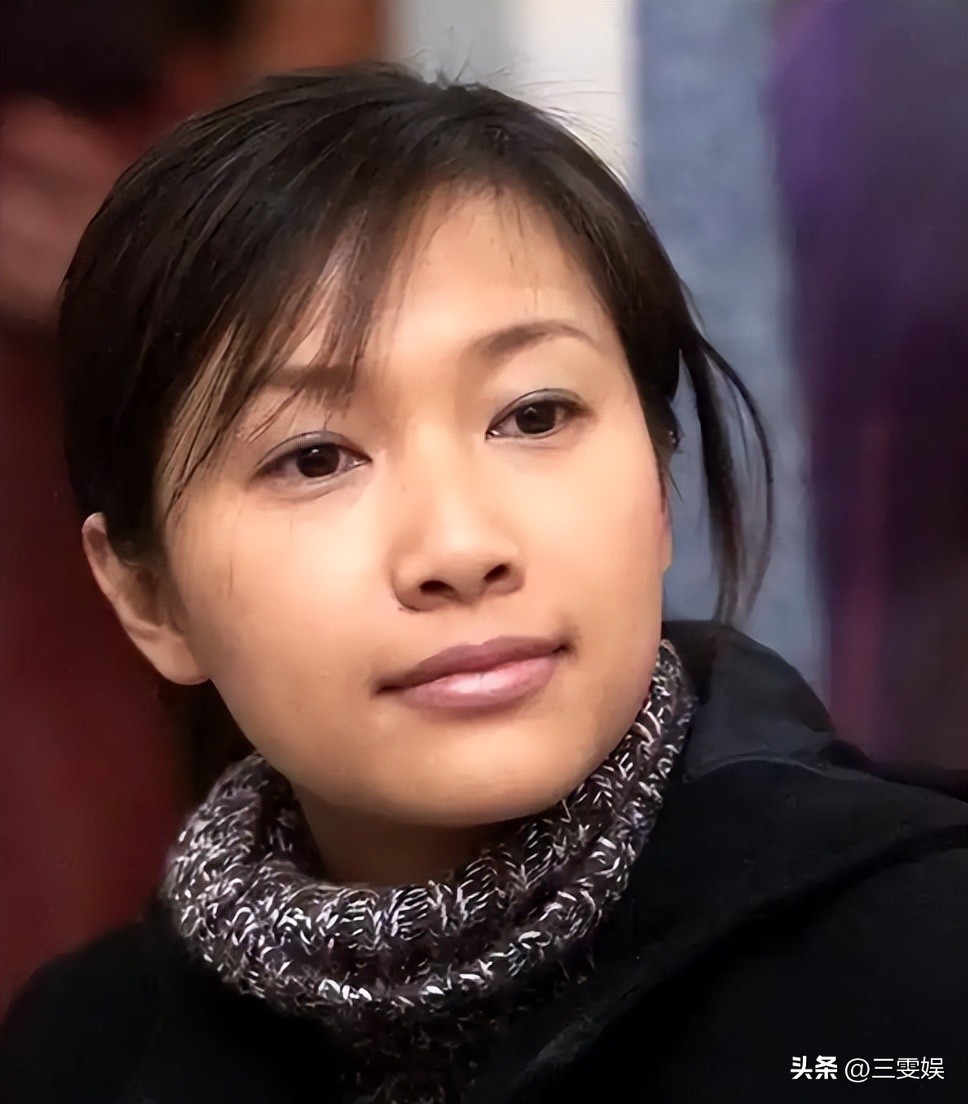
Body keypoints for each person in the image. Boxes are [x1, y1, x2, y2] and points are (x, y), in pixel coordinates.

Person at [0, 65, 964, 1104]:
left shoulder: (921, 971)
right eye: (314, 458)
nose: (460, 547)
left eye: (533, 416)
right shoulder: (75, 1055)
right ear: (149, 598)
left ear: (656, 486)